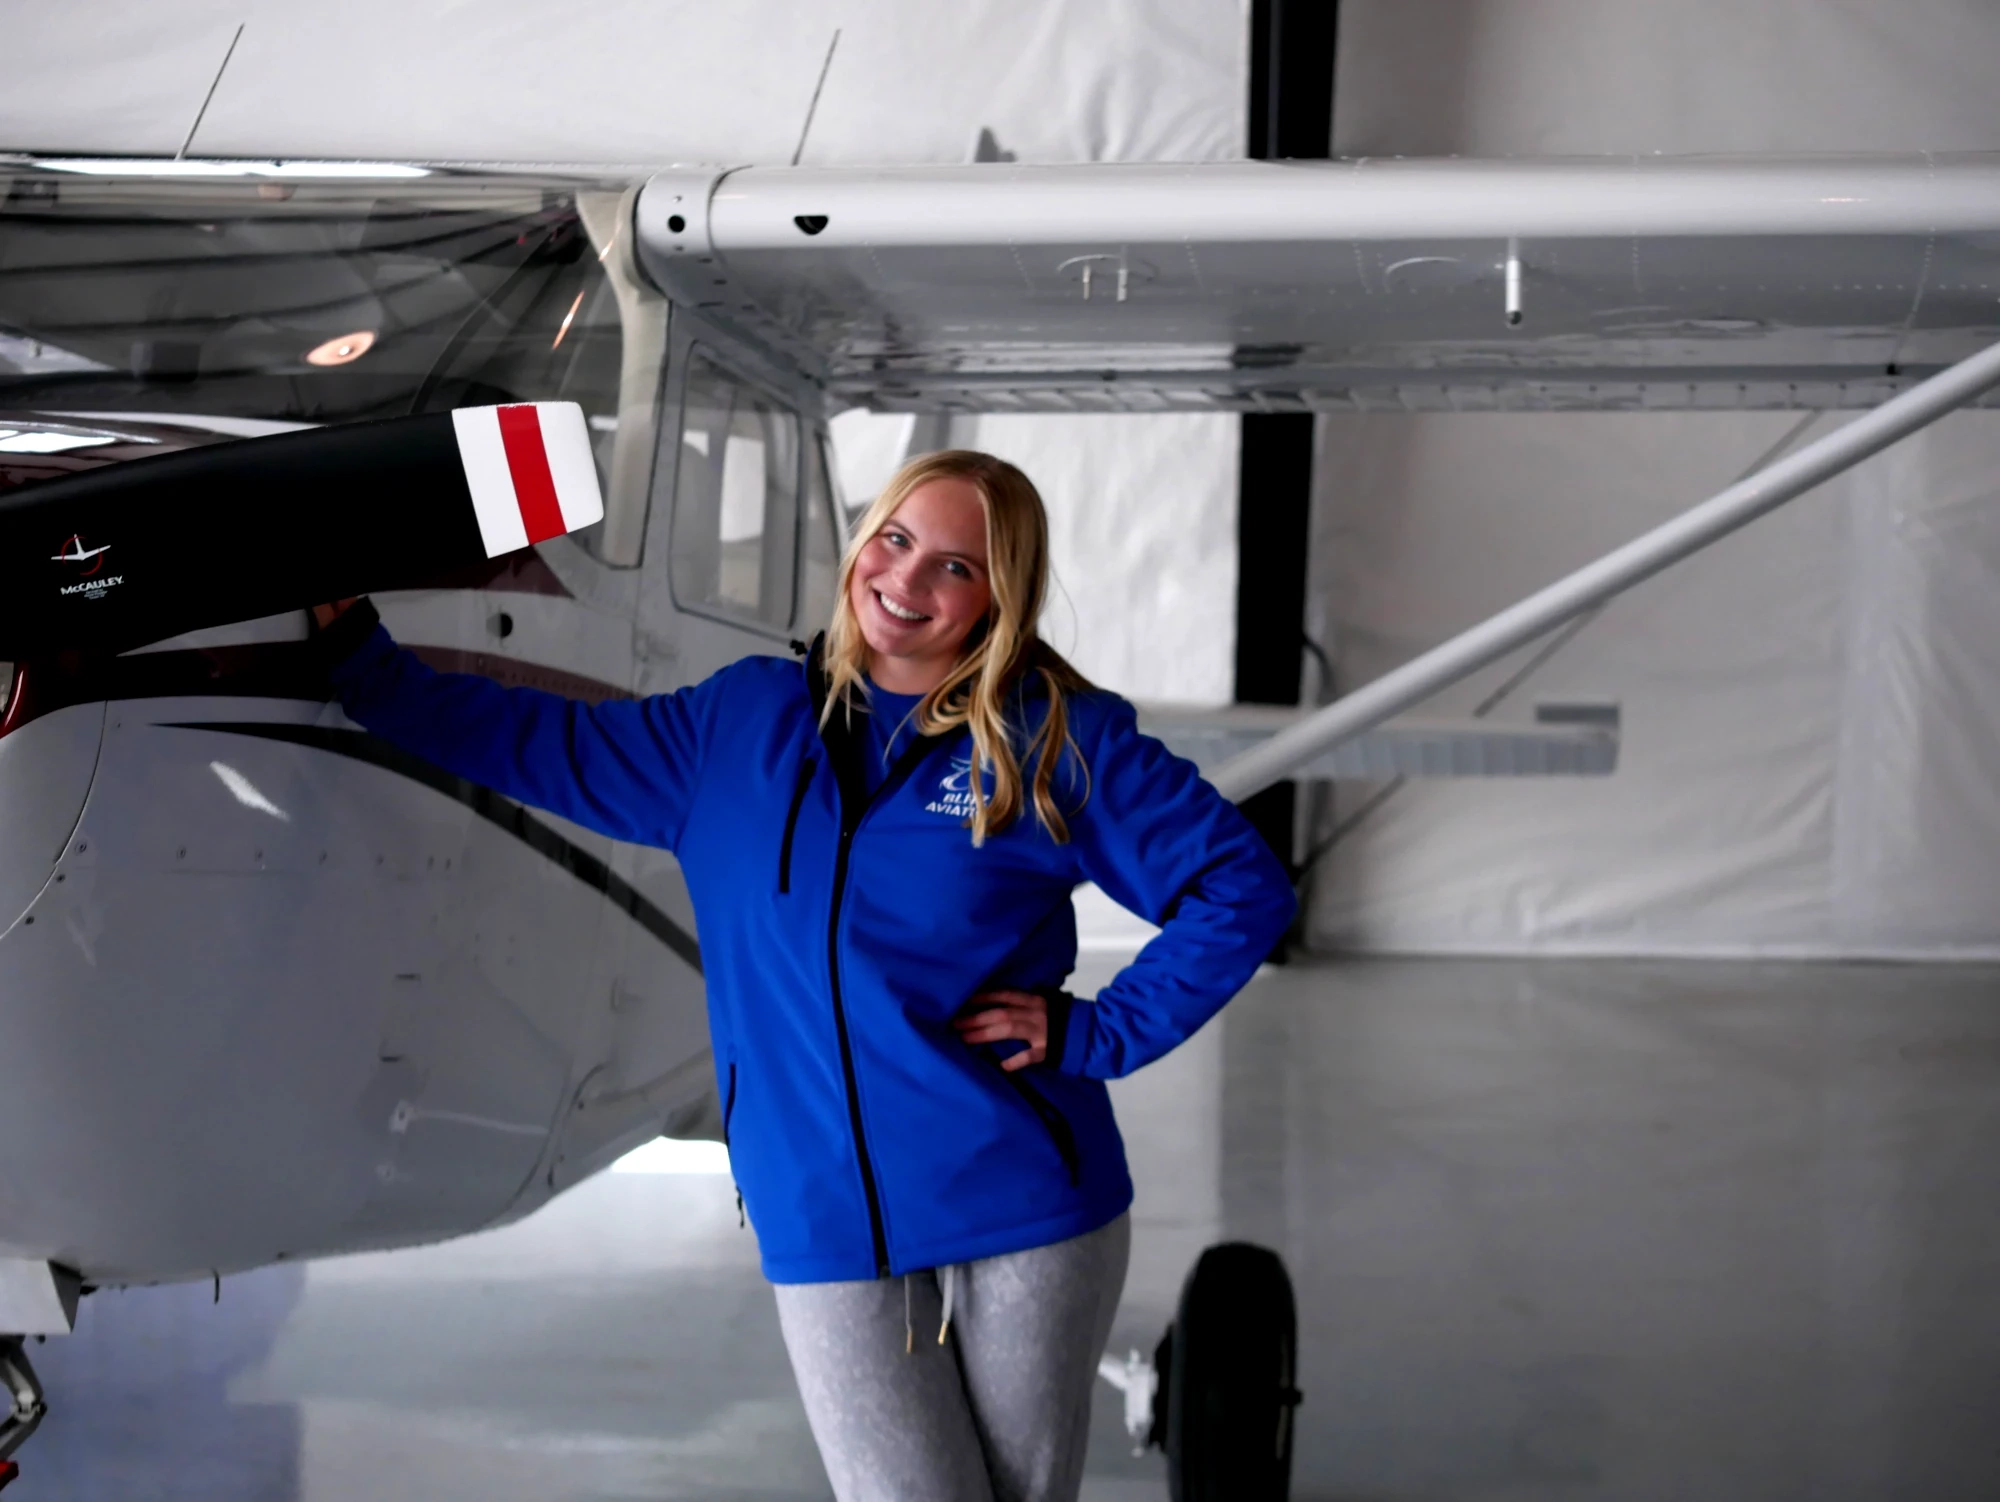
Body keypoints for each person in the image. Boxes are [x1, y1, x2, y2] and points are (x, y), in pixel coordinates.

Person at [312, 449, 1295, 1502]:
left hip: (1022, 1203)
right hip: (818, 1206)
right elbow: (533, 738)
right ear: (862, 542)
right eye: (896, 539)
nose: (907, 582)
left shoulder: (1049, 737)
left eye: (955, 568)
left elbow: (1240, 887)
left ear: (995, 599)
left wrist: (1094, 1033)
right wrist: (358, 658)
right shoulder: (737, 724)